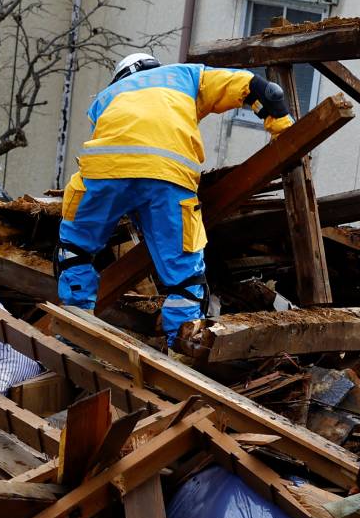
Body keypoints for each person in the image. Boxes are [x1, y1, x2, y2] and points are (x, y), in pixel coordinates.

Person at [57, 52, 294, 346]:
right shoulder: (186, 76)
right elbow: (263, 90)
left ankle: (72, 336)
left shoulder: (105, 98)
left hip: (104, 170)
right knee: (184, 281)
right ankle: (182, 352)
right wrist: (286, 137)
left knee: (75, 252)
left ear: (121, 77)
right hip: (167, 177)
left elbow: (127, 160)